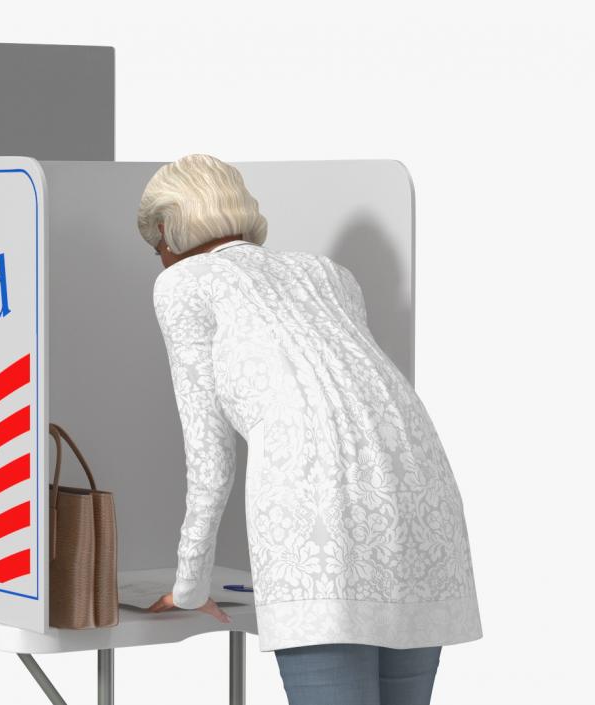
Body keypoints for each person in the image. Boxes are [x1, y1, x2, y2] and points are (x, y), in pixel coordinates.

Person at [138, 154, 482, 705]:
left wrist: (188, 587)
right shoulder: (327, 273)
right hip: (422, 493)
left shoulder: (182, 284)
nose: (158, 259)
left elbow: (210, 457)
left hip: (321, 505)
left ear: (165, 230)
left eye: (154, 247)